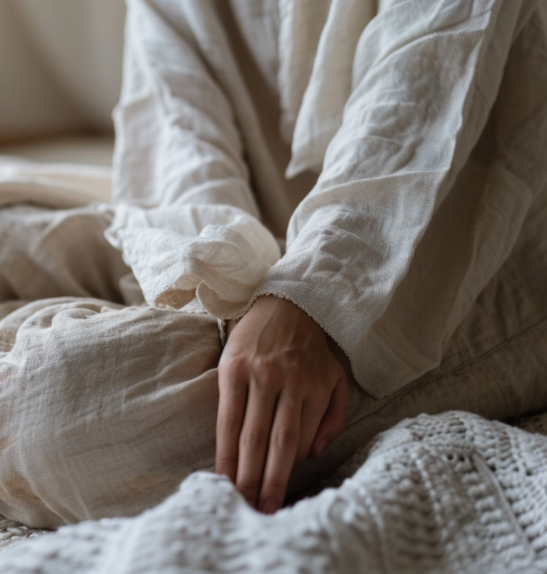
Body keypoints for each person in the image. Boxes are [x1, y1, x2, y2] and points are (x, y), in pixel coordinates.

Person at [113, 0, 547, 514]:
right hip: (274, 255)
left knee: (78, 424)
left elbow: (420, 93)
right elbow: (181, 142)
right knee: (2, 223)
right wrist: (229, 295)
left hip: (478, 257)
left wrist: (306, 298)